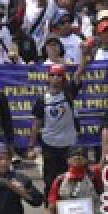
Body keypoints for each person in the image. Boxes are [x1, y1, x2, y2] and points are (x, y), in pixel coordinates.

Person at [29, 60, 88, 190]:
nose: (56, 78)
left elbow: (79, 73)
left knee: (71, 179)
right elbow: (36, 123)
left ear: (63, 78)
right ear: (48, 77)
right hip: (50, 145)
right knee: (50, 181)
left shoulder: (69, 93)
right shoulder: (42, 99)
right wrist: (31, 146)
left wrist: (84, 55)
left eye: (59, 75)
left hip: (69, 144)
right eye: (53, 75)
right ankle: (50, 208)